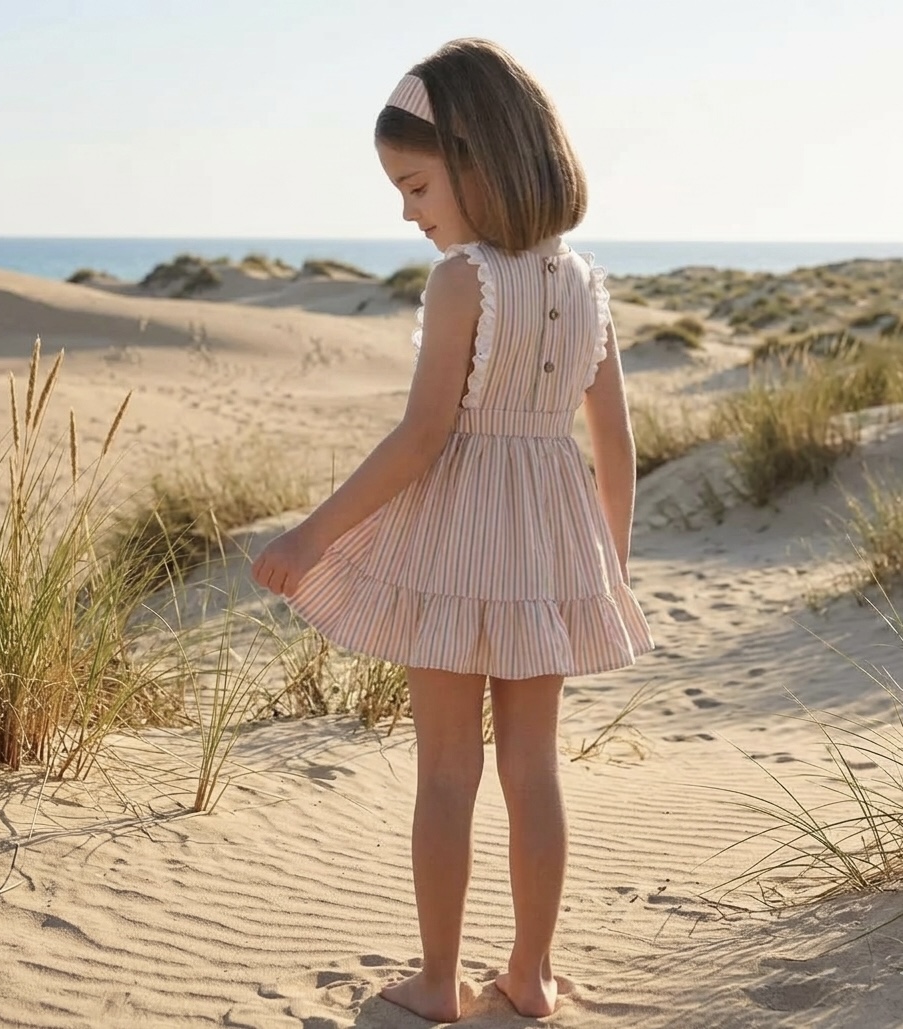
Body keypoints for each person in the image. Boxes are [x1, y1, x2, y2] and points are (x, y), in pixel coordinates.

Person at [251, 37, 654, 1024]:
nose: (408, 213)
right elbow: (614, 445)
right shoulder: (585, 284)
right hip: (549, 550)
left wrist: (309, 537)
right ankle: (531, 974)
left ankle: (438, 981)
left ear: (479, 160)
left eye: (417, 186)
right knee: (533, 769)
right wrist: (605, 567)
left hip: (455, 544)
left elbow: (422, 437)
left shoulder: (463, 281)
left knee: (445, 769)